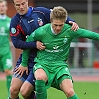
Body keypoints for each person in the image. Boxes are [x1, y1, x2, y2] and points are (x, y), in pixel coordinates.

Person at [20, 6, 99, 99]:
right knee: (40, 78)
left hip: (60, 66)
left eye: (61, 25)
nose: (57, 28)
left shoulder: (70, 30)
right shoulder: (41, 32)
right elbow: (28, 41)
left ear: (64, 21)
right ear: (51, 21)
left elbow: (91, 35)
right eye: (55, 25)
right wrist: (24, 63)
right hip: (43, 64)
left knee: (70, 92)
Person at [9, 0, 79, 99]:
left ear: (27, 2)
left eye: (23, 4)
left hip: (42, 60)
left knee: (25, 92)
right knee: (13, 90)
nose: (21, 7)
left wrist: (71, 21)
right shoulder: (15, 21)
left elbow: (58, 15)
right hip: (27, 58)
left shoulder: (41, 12)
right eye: (18, 5)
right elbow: (16, 43)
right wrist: (34, 45)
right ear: (14, 5)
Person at [0, 0, 12, 98]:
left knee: (9, 72)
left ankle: (10, 96)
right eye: (0, 6)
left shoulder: (10, 21)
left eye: (3, 6)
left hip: (5, 51)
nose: (1, 8)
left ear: (6, 7)